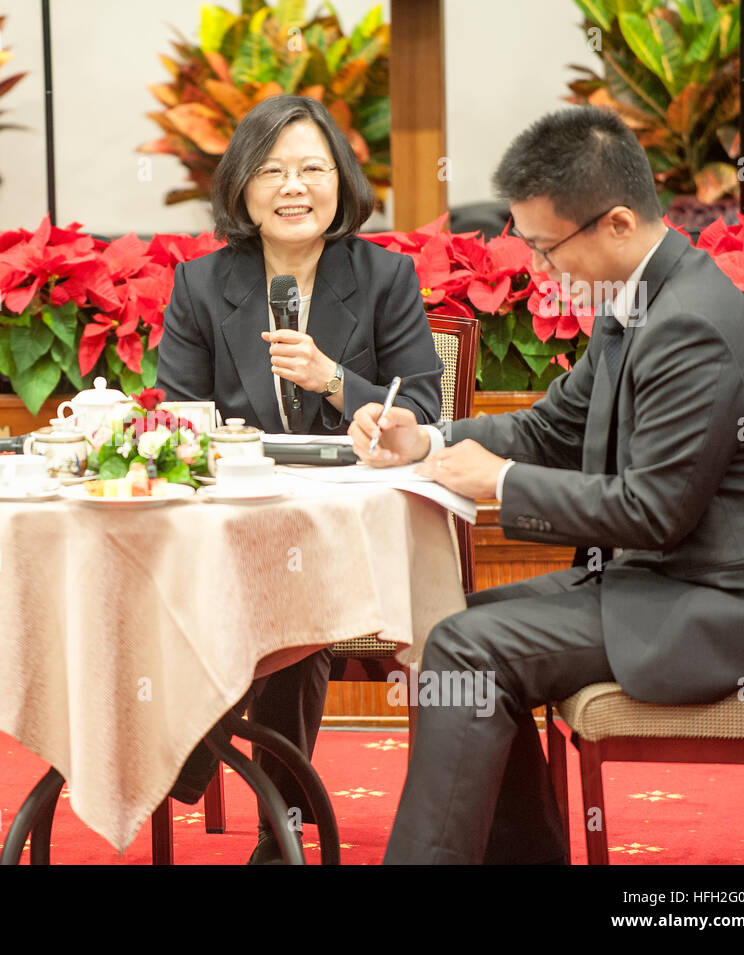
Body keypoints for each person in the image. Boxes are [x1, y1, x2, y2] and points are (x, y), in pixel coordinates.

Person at [351, 105, 744, 864]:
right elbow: (551, 426)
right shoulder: (642, 298)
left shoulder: (689, 324)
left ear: (617, 222)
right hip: (673, 578)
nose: (538, 264)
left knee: (466, 648)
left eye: (546, 244)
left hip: (734, 602)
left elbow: (653, 512)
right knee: (453, 627)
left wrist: (503, 482)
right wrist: (426, 438)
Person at [157, 94, 443, 863]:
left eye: (313, 168)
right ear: (243, 191)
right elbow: (179, 419)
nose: (294, 187)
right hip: (229, 525)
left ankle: (257, 809)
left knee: (299, 606)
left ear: (340, 183)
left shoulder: (384, 278)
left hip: (342, 530)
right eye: (273, 170)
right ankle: (228, 775)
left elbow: (421, 404)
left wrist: (335, 381)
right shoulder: (200, 287)